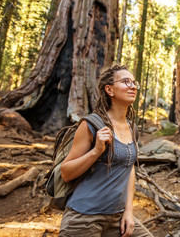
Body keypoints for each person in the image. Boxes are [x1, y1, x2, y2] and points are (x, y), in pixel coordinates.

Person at [59, 64, 153, 237]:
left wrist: (128, 211)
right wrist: (96, 151)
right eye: (126, 82)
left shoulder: (131, 127)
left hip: (117, 217)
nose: (132, 86)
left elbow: (129, 167)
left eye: (134, 82)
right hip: (83, 218)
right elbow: (66, 172)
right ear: (109, 89)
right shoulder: (91, 124)